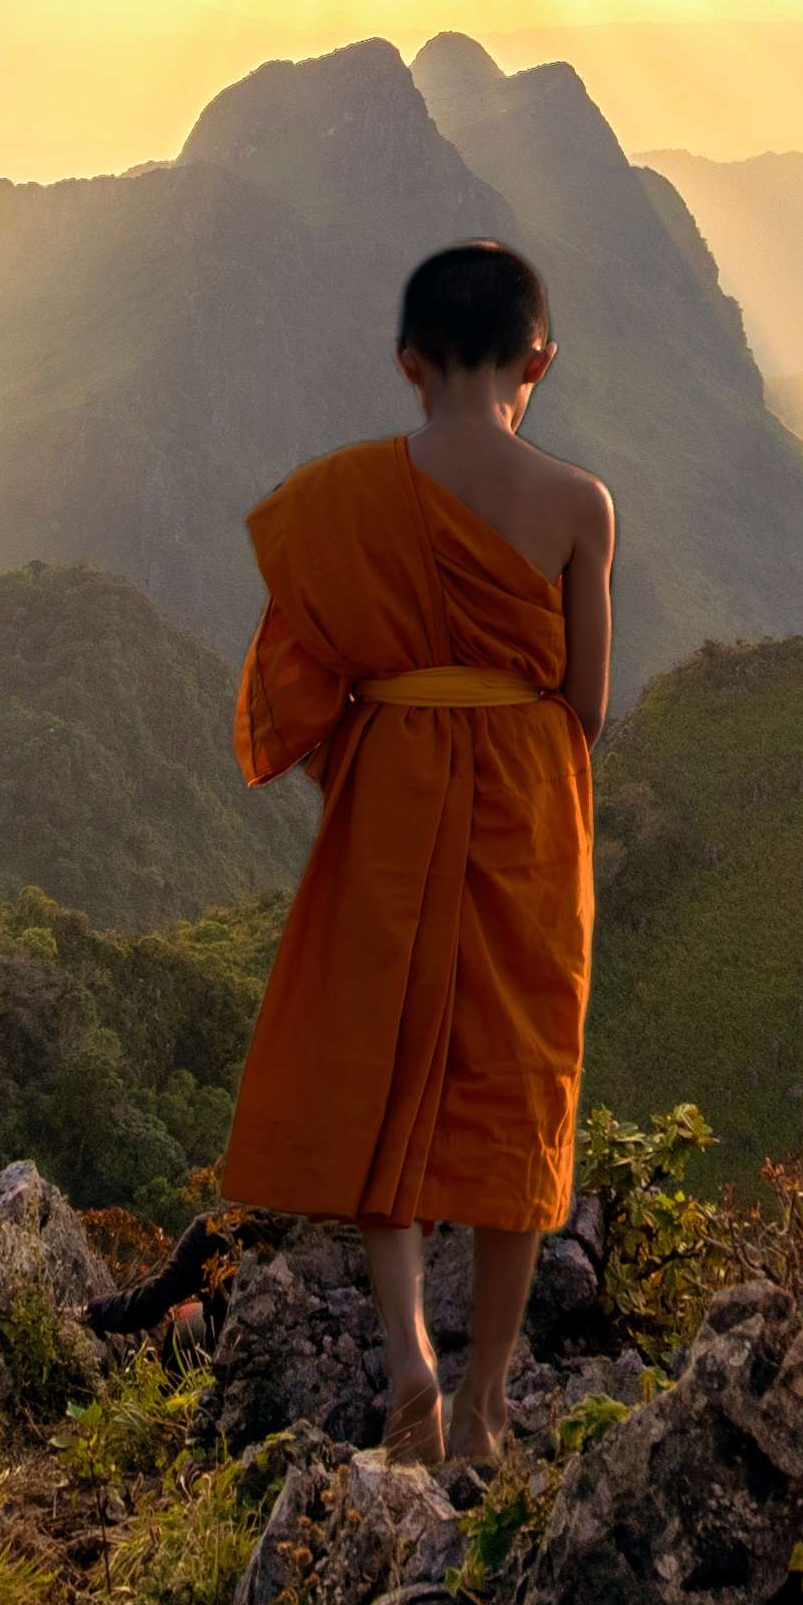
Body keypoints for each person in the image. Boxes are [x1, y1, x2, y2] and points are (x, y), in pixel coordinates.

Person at [215, 239, 617, 1470]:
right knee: (511, 1082)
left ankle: (409, 1360)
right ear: (536, 361)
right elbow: (585, 702)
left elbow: (302, 676)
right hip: (523, 799)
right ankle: (490, 1399)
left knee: (386, 1064)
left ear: (407, 363)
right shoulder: (576, 505)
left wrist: (383, 760)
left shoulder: (342, 495)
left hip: (390, 776)